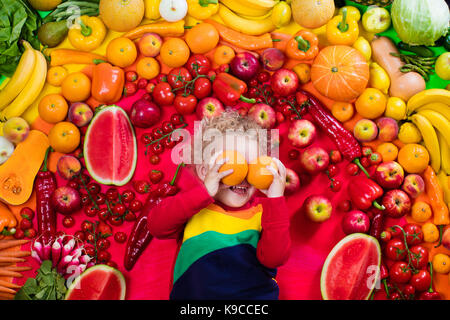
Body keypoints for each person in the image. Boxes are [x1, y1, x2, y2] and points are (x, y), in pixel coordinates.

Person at [147, 110, 291, 300]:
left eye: (254, 167)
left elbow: (275, 258)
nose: (244, 177)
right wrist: (203, 193)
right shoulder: (192, 207)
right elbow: (156, 225)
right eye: (233, 163)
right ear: (205, 170)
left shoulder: (265, 214)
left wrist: (275, 201)